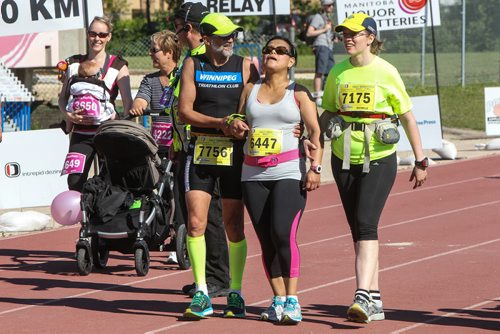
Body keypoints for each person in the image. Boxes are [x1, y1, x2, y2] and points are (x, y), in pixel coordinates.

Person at [321, 13, 428, 323]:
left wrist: (421, 159)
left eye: (354, 34)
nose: (347, 39)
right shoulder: (337, 72)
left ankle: (362, 296)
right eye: (343, 34)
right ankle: (377, 298)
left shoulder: (386, 72)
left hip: (380, 157)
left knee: (366, 222)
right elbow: (328, 112)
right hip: (342, 158)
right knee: (360, 229)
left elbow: (407, 116)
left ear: (370, 37)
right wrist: (312, 129)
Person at [229, 36, 323, 324]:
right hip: (252, 173)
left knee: (283, 232)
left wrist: (315, 168)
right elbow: (237, 119)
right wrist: (235, 125)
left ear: (291, 61)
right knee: (266, 239)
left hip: (288, 172)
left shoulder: (299, 93)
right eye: (268, 50)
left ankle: (293, 300)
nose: (272, 54)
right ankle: (278, 299)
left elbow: (315, 132)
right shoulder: (250, 89)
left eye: (280, 51)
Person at [178, 12, 259, 319]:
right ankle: (201, 291)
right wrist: (219, 123)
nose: (230, 41)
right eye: (223, 37)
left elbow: (259, 103)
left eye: (233, 36)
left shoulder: (244, 66)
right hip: (200, 150)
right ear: (206, 39)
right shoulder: (193, 65)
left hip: (234, 155)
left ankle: (235, 291)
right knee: (197, 223)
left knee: (234, 226)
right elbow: (185, 111)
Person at [171, 2, 231, 297]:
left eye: (178, 29)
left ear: (190, 29)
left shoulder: (201, 60)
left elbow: (190, 107)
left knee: (212, 215)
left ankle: (217, 278)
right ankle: (209, 277)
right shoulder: (191, 59)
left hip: (210, 146)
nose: (176, 35)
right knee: (199, 217)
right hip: (189, 146)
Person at [58, 16, 133, 191]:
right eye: (93, 34)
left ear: (109, 37)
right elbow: (63, 98)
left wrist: (122, 131)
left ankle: (102, 218)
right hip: (80, 134)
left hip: (106, 134)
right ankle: (80, 218)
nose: (97, 38)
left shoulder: (118, 65)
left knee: (110, 183)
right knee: (75, 182)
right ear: (87, 35)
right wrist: (67, 114)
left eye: (102, 34)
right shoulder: (74, 64)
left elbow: (128, 103)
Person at [129, 29, 183, 265]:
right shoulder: (150, 80)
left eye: (155, 50)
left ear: (169, 52)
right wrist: (138, 105)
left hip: (180, 144)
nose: (151, 54)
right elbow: (140, 100)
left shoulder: (184, 76)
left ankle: (180, 237)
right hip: (156, 146)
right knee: (152, 188)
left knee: (179, 192)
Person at [65, 60, 117, 133]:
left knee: (69, 108)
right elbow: (106, 97)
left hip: (79, 115)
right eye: (99, 73)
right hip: (99, 118)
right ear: (96, 76)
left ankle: (68, 128)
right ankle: (116, 126)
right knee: (111, 109)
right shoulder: (100, 87)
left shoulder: (75, 84)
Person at [306, 0, 335, 104]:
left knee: (330, 72)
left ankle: (326, 94)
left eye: (332, 5)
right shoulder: (318, 17)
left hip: (328, 46)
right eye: (328, 5)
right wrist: (324, 29)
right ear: (323, 6)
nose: (331, 7)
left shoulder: (327, 17)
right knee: (320, 71)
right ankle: (317, 96)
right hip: (321, 46)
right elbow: (309, 32)